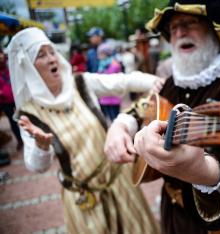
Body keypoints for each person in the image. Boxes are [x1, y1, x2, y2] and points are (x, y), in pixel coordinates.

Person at [105, 1, 220, 233]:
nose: (179, 32)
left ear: (216, 29)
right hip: (174, 217)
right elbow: (143, 107)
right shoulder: (171, 82)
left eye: (190, 22)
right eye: (174, 27)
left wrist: (204, 171)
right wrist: (120, 125)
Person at [7, 27, 159, 234]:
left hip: (119, 183)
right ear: (28, 68)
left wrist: (158, 83)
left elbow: (123, 81)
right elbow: (37, 166)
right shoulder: (29, 113)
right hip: (85, 198)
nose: (51, 59)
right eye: (41, 55)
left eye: (51, 51)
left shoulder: (80, 84)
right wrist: (42, 148)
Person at [0, 47, 23, 152]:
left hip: (16, 97)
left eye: (0, 53)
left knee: (24, 118)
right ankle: (20, 140)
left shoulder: (11, 64)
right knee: (13, 121)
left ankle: (29, 138)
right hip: (4, 101)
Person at [97, 41, 123, 122]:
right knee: (108, 119)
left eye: (100, 54)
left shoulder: (115, 65)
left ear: (106, 53)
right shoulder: (101, 65)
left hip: (114, 98)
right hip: (104, 98)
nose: (99, 56)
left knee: (115, 120)